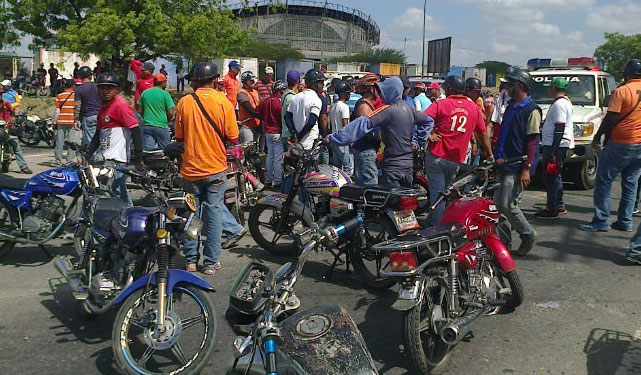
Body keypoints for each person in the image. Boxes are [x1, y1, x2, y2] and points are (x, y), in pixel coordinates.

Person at [175, 62, 243, 275]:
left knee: (190, 214)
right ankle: (211, 263)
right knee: (213, 217)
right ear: (215, 80)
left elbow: (179, 137)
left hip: (191, 170)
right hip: (215, 169)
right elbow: (233, 137)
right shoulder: (223, 101)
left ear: (195, 80)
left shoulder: (185, 102)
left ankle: (191, 261)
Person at [329, 77, 434, 187]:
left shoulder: (387, 111)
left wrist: (332, 138)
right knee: (403, 202)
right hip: (407, 168)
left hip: (391, 169)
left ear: (390, 91)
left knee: (382, 201)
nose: (381, 94)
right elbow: (428, 121)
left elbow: (361, 125)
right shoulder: (409, 109)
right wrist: (417, 141)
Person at [581, 59, 641, 235]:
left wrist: (598, 138)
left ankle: (601, 221)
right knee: (631, 183)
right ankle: (625, 221)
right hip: (639, 144)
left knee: (604, 182)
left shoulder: (622, 91)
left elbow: (611, 119)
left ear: (626, 73)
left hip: (621, 143)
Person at [424, 75, 492, 225]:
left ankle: (437, 230)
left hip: (437, 156)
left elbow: (422, 119)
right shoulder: (474, 108)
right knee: (447, 194)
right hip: (456, 159)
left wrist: (429, 134)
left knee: (438, 196)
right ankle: (438, 223)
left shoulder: (440, 104)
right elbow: (483, 133)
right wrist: (490, 154)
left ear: (449, 89)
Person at [494, 69, 541, 255]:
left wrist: (526, 168)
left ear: (519, 86)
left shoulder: (531, 110)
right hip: (504, 162)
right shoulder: (511, 106)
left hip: (517, 165)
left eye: (509, 85)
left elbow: (532, 142)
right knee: (497, 204)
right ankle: (503, 240)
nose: (506, 88)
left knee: (507, 204)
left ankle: (527, 233)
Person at [86, 72, 144, 204]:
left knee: (105, 194)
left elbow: (135, 130)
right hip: (107, 157)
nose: (105, 91)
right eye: (102, 88)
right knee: (120, 194)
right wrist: (89, 153)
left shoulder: (120, 105)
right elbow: (98, 133)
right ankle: (128, 218)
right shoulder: (104, 106)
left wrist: (139, 158)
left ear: (116, 90)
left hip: (115, 159)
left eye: (109, 88)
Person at [535, 78, 573, 219]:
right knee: (555, 176)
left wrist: (552, 151)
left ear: (553, 88)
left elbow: (559, 126)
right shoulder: (563, 102)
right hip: (556, 145)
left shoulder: (559, 105)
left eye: (550, 87)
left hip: (556, 145)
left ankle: (552, 209)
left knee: (551, 177)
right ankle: (558, 204)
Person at [350, 73, 383, 185]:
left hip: (365, 149)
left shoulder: (366, 105)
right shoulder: (364, 106)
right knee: (370, 186)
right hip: (366, 150)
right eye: (378, 88)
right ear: (371, 89)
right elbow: (367, 131)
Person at [284, 68, 325, 151]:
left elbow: (287, 117)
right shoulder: (316, 99)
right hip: (310, 143)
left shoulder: (296, 97)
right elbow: (311, 122)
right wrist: (299, 137)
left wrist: (294, 133)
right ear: (313, 84)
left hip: (296, 145)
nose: (323, 85)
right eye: (321, 82)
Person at [257, 80, 286, 188]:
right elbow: (282, 117)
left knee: (270, 156)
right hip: (277, 132)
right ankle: (278, 181)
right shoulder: (278, 102)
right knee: (278, 158)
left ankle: (268, 179)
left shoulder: (266, 101)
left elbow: (257, 111)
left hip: (268, 132)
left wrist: (264, 118)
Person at [138, 73, 176, 150]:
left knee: (148, 152)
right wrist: (168, 120)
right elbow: (170, 112)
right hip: (161, 126)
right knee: (165, 151)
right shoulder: (165, 94)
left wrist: (146, 118)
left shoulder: (145, 93)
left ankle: (149, 162)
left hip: (147, 126)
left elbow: (140, 110)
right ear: (163, 83)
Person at [0, 89, 31, 174]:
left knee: (16, 146)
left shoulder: (6, 104)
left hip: (7, 129)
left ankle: (23, 166)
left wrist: (13, 122)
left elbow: (12, 114)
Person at [329, 81, 354, 175]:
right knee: (348, 168)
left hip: (334, 139)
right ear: (344, 94)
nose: (349, 95)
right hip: (343, 140)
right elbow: (345, 125)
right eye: (348, 93)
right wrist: (350, 139)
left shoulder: (334, 106)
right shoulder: (344, 107)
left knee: (337, 168)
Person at [54, 79, 80, 165]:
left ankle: (58, 161)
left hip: (61, 121)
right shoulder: (76, 96)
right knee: (72, 142)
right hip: (72, 121)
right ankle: (70, 160)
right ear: (73, 86)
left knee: (59, 142)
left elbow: (57, 111)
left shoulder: (59, 96)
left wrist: (55, 122)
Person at [74, 66, 101, 147]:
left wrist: (75, 120)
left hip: (88, 116)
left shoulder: (79, 90)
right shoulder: (98, 87)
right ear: (90, 76)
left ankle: (94, 158)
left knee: (91, 141)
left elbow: (77, 106)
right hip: (100, 116)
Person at [236, 71, 261, 143]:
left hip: (256, 125)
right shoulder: (241, 93)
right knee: (248, 149)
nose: (253, 82)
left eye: (253, 80)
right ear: (245, 81)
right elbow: (248, 107)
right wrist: (259, 115)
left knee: (255, 150)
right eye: (250, 80)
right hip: (246, 126)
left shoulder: (255, 92)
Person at [465, 78, 485, 165]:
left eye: (478, 92)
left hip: (475, 139)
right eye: (475, 92)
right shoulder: (467, 104)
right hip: (468, 141)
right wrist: (474, 142)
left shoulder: (477, 102)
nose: (477, 94)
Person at [280, 70, 300, 154]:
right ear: (298, 81)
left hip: (284, 132)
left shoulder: (285, 95)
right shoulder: (293, 98)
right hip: (290, 135)